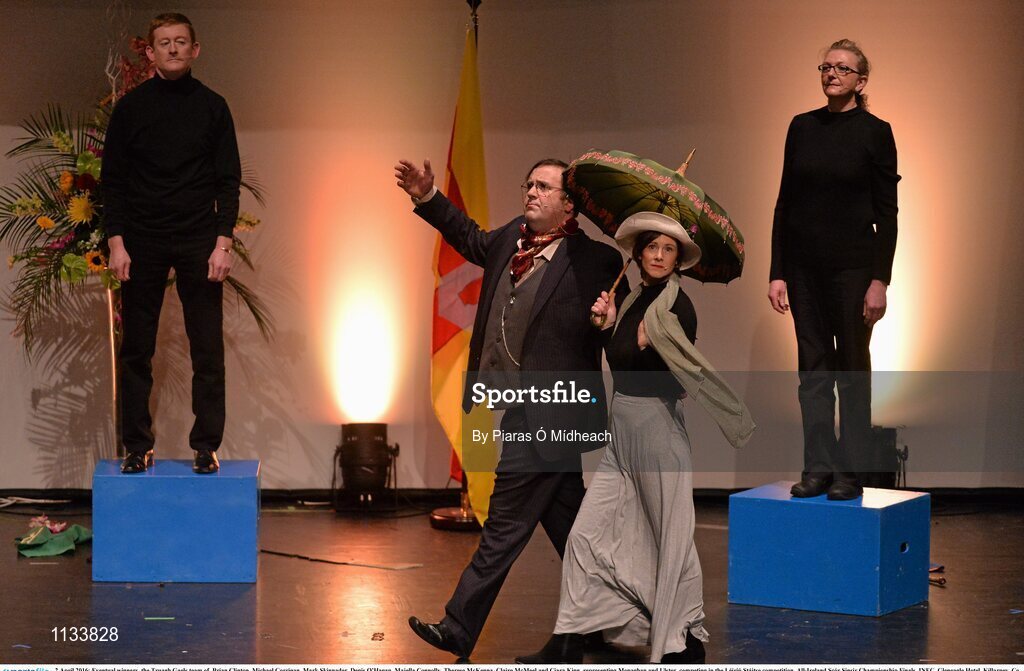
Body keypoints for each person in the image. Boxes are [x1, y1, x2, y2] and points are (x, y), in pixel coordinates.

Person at [394, 157, 624, 660]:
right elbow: (468, 236)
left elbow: (620, 330)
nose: (531, 192)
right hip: (518, 405)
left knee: (503, 525)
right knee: (574, 534)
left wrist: (608, 320)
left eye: (544, 187)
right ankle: (599, 629)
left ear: (569, 202)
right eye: (529, 184)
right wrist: (428, 196)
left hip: (555, 413)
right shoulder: (511, 240)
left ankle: (459, 627)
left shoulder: (597, 262)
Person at [517, 211, 752, 665]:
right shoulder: (631, 300)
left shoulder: (676, 308)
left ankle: (685, 642)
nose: (660, 256)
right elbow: (622, 357)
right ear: (639, 253)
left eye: (669, 249)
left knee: (671, 540)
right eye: (652, 247)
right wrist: (608, 324)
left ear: (678, 258)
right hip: (621, 433)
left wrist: (623, 337)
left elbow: (651, 367)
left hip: (657, 434)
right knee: (585, 536)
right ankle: (572, 636)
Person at [103, 13, 241, 475]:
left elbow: (228, 181)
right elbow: (114, 182)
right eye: (164, 43)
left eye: (181, 41)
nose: (174, 49)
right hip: (141, 238)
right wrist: (117, 243)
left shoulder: (214, 107)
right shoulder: (130, 109)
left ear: (195, 49)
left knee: (207, 347)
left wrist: (224, 243)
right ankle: (137, 446)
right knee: (137, 348)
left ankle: (206, 446)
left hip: (200, 238)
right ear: (151, 52)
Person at [768, 39, 899, 500]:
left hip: (854, 271)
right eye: (826, 66)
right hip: (804, 271)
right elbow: (786, 202)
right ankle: (818, 467)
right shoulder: (802, 127)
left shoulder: (875, 131)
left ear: (861, 81)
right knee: (814, 373)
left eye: (843, 68)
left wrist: (879, 279)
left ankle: (850, 470)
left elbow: (888, 211)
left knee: (852, 372)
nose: (832, 73)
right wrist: (778, 271)